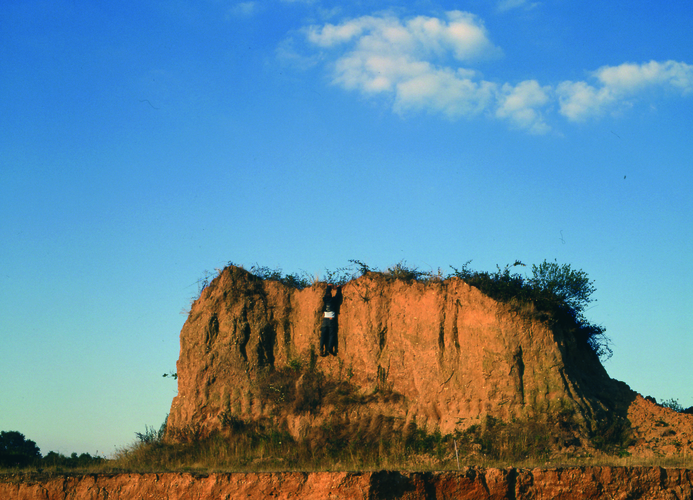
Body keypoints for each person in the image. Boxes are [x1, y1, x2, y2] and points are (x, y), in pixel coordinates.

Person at [320, 284, 342, 357]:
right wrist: (338, 288)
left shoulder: (325, 300)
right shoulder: (333, 300)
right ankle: (330, 348)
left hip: (325, 320)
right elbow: (338, 296)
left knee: (323, 335)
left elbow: (327, 293)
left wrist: (329, 287)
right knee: (332, 335)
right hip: (331, 320)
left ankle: (321, 349)